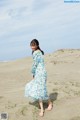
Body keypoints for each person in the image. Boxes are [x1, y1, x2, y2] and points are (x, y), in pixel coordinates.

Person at [24, 39, 53, 117]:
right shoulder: (40, 52)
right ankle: (47, 105)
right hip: (42, 73)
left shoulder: (36, 53)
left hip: (40, 73)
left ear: (37, 45)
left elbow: (35, 64)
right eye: (31, 45)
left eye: (33, 45)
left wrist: (33, 73)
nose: (32, 47)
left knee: (40, 90)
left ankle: (44, 108)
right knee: (41, 89)